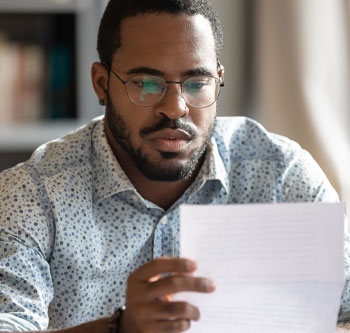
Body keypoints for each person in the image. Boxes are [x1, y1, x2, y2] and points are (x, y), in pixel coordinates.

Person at [0, 0, 349, 332]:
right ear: (102, 84)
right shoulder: (33, 194)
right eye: (146, 83)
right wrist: (119, 330)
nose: (175, 108)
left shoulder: (282, 177)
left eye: (197, 84)